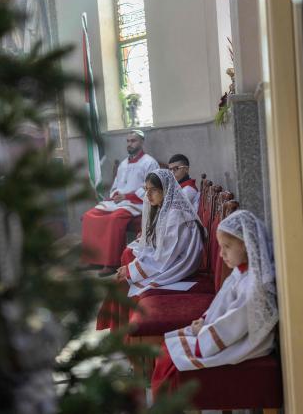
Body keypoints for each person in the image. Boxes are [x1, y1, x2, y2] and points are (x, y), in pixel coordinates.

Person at [151, 210, 278, 396]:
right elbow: (222, 304)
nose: (221, 254)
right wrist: (204, 321)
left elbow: (234, 322)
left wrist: (203, 332)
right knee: (168, 348)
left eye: (227, 247)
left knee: (171, 360)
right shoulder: (241, 271)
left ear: (245, 245)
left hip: (245, 343)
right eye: (220, 247)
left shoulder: (254, 284)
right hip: (228, 335)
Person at [115, 169, 205, 297]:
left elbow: (166, 256)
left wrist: (130, 270)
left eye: (153, 190)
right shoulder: (164, 207)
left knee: (124, 284)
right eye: (146, 190)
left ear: (166, 189)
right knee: (126, 273)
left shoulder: (175, 215)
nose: (148, 195)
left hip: (178, 265)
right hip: (171, 259)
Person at [81, 130, 159, 276]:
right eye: (128, 141)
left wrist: (127, 196)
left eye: (133, 141)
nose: (130, 144)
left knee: (114, 219)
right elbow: (116, 185)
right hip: (119, 202)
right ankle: (92, 259)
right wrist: (115, 195)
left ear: (142, 142)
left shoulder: (150, 162)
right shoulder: (123, 163)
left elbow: (151, 187)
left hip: (137, 203)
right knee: (89, 216)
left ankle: (111, 263)